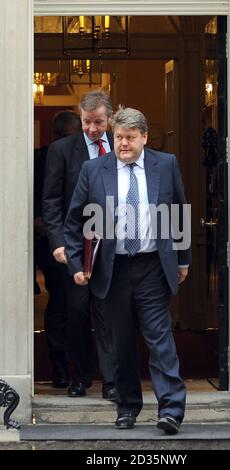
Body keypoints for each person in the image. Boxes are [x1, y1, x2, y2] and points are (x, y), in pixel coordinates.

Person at [64, 107, 191, 434]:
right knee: (120, 343)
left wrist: (183, 259)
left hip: (152, 265)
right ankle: (127, 407)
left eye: (130, 138)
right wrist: (77, 264)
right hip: (113, 268)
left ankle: (171, 410)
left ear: (144, 138)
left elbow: (179, 211)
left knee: (160, 339)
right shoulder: (94, 170)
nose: (123, 144)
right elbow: (76, 219)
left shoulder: (166, 164)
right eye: (118, 137)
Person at [43, 91, 116, 400]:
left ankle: (112, 380)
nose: (92, 129)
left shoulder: (123, 144)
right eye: (87, 122)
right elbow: (51, 200)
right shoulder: (62, 150)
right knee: (76, 311)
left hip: (116, 245)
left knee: (111, 313)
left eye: (98, 122)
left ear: (109, 118)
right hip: (76, 245)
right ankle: (80, 376)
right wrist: (58, 242)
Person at [34, 110, 82, 388]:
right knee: (61, 303)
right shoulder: (39, 159)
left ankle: (81, 368)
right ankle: (60, 365)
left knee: (80, 306)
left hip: (82, 242)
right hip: (49, 243)